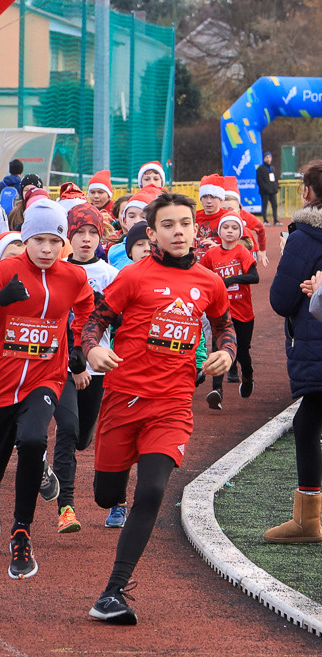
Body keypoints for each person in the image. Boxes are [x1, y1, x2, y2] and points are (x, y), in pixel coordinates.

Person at [82, 192, 235, 624]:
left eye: (185, 223)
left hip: (172, 405)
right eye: (168, 225)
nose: (178, 231)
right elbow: (94, 320)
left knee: (151, 491)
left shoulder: (210, 282)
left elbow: (224, 326)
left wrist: (225, 352)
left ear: (195, 229)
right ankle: (110, 486)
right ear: (152, 233)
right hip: (123, 400)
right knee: (107, 496)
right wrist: (92, 350)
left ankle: (112, 592)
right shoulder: (132, 277)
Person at [0, 198, 93, 579]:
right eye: (39, 240)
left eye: (54, 241)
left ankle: (21, 533)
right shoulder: (4, 271)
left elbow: (88, 309)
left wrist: (79, 344)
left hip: (45, 379)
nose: (47, 249)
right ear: (26, 238)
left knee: (32, 441)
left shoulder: (73, 277)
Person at [53, 203, 119, 533]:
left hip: (97, 366)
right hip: (59, 364)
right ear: (69, 236)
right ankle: (66, 508)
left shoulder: (111, 275)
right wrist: (73, 362)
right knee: (66, 430)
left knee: (81, 438)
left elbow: (122, 321)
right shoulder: (56, 270)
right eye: (79, 232)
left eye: (93, 232)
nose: (86, 239)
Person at [266, 160, 322, 544]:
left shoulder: (305, 238)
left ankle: (307, 521)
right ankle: (307, 519)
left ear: (307, 192)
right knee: (307, 421)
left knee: (306, 423)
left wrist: (290, 255)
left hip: (316, 345)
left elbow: (281, 300)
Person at [200, 211, 259, 410]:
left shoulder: (242, 252)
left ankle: (248, 376)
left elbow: (254, 277)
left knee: (242, 351)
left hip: (243, 311)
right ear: (220, 231)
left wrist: (231, 280)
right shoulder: (211, 255)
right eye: (226, 227)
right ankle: (217, 391)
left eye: (234, 228)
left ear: (240, 232)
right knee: (218, 349)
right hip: (220, 311)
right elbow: (202, 277)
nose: (230, 231)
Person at [257, 151, 280, 226]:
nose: (268, 159)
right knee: (265, 205)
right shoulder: (260, 169)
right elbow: (259, 180)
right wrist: (266, 188)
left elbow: (275, 179)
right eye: (267, 157)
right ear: (264, 158)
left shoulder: (272, 168)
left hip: (273, 191)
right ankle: (265, 220)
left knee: (274, 205)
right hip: (265, 191)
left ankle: (276, 220)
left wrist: (276, 187)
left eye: (269, 157)